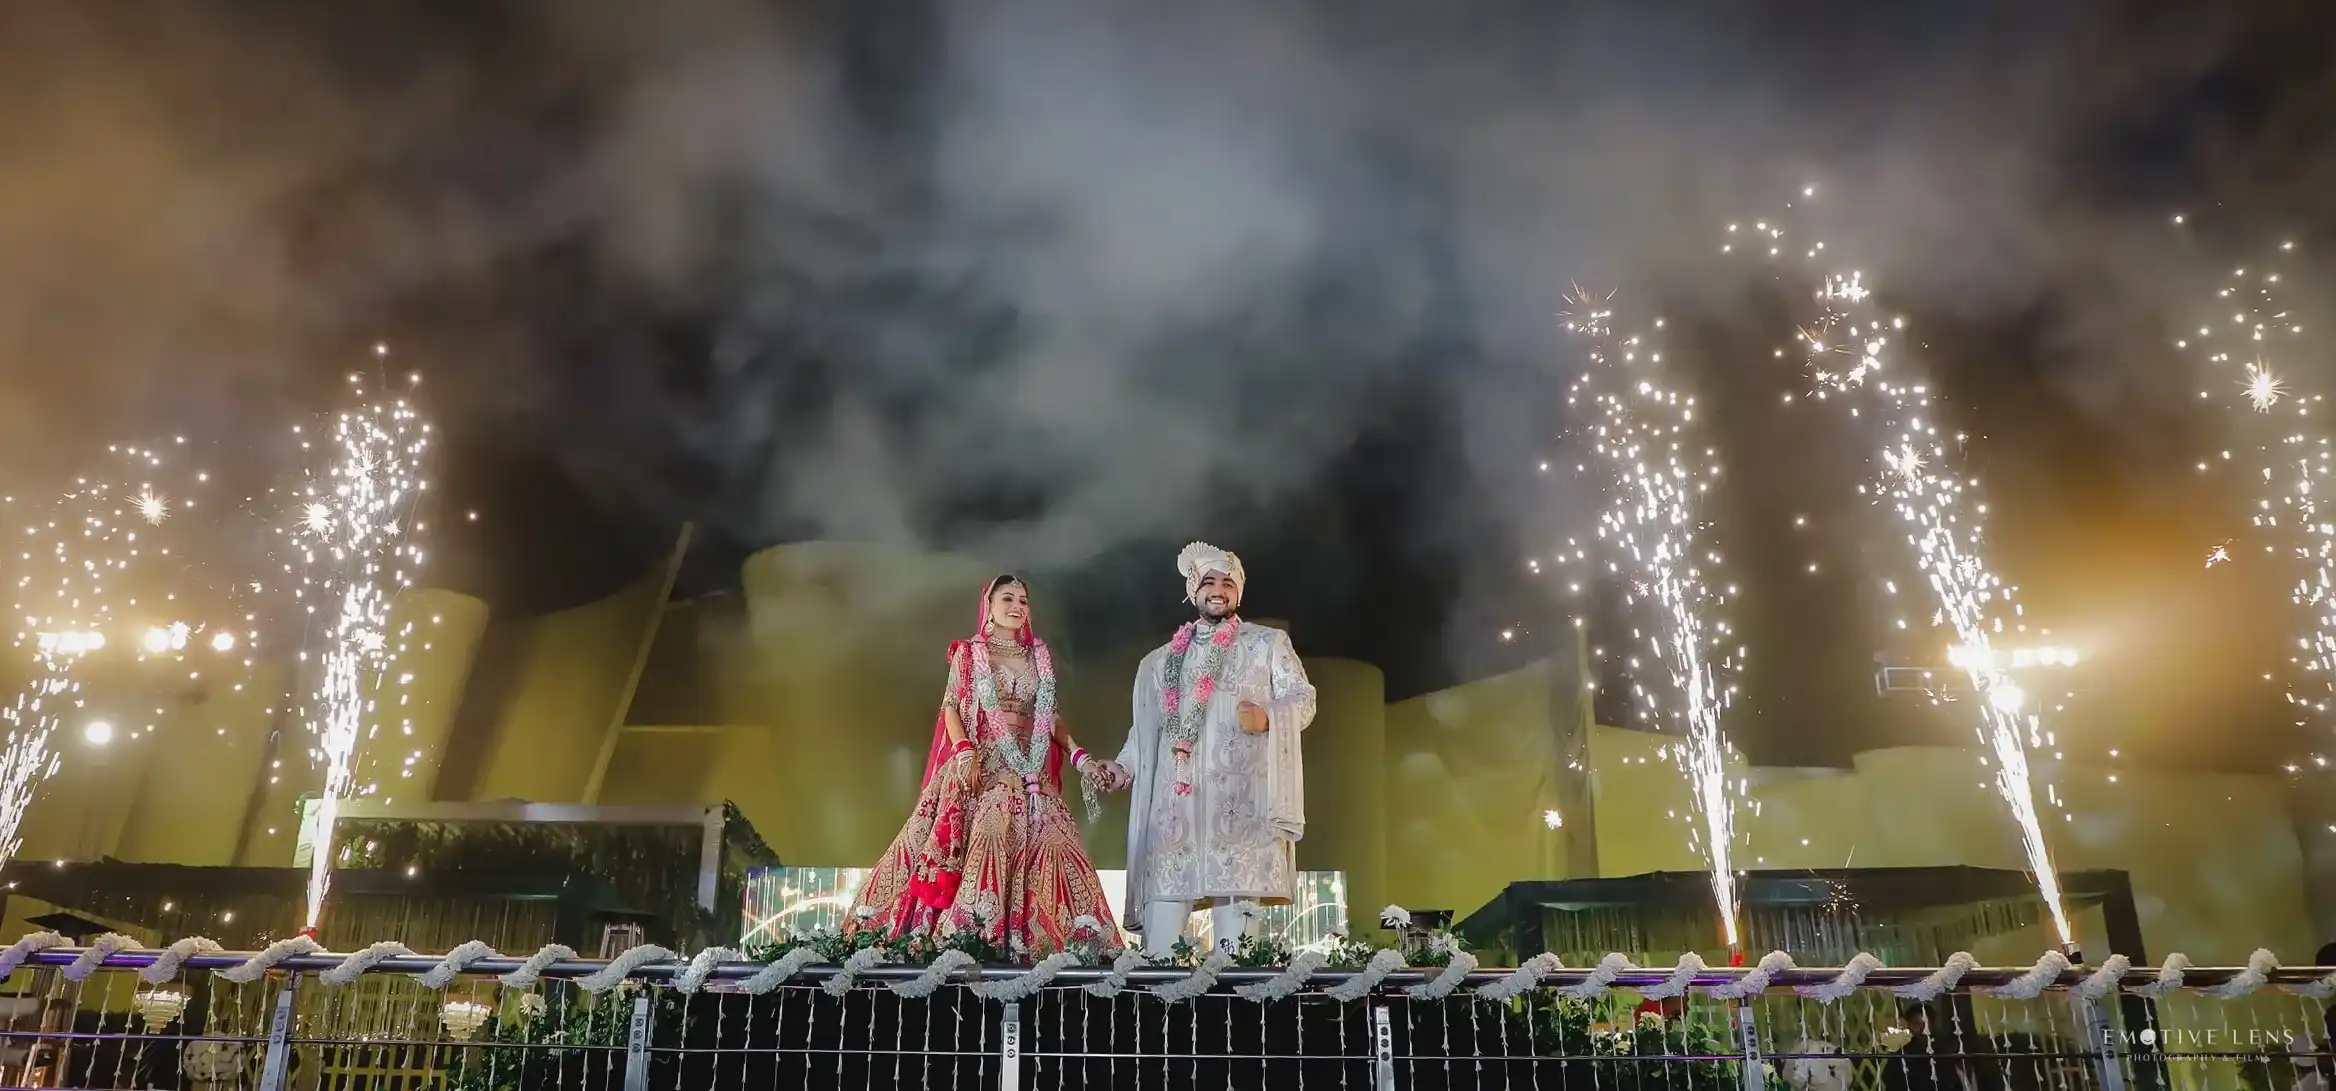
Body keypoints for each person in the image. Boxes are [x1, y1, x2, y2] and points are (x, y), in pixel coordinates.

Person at [844, 575, 1120, 957]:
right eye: (1007, 598)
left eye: (1023, 600)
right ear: (988, 607)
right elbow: (951, 706)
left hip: (1030, 772)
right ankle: (972, 941)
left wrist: (1081, 758)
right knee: (990, 830)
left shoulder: (1039, 658)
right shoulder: (969, 654)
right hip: (982, 764)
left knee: (1058, 845)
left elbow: (1050, 718)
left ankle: (1067, 950)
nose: (1017, 606)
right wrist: (963, 752)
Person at [1094, 542, 1317, 958]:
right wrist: (1122, 768)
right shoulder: (1160, 661)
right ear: (1192, 590)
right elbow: (1146, 731)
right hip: (1174, 818)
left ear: (1239, 592)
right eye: (1209, 581)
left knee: (1236, 959)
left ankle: (1235, 999)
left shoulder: (1266, 644)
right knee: (1159, 956)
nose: (1218, 590)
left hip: (1241, 815)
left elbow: (1302, 698)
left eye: (1228, 583)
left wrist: (1268, 716)